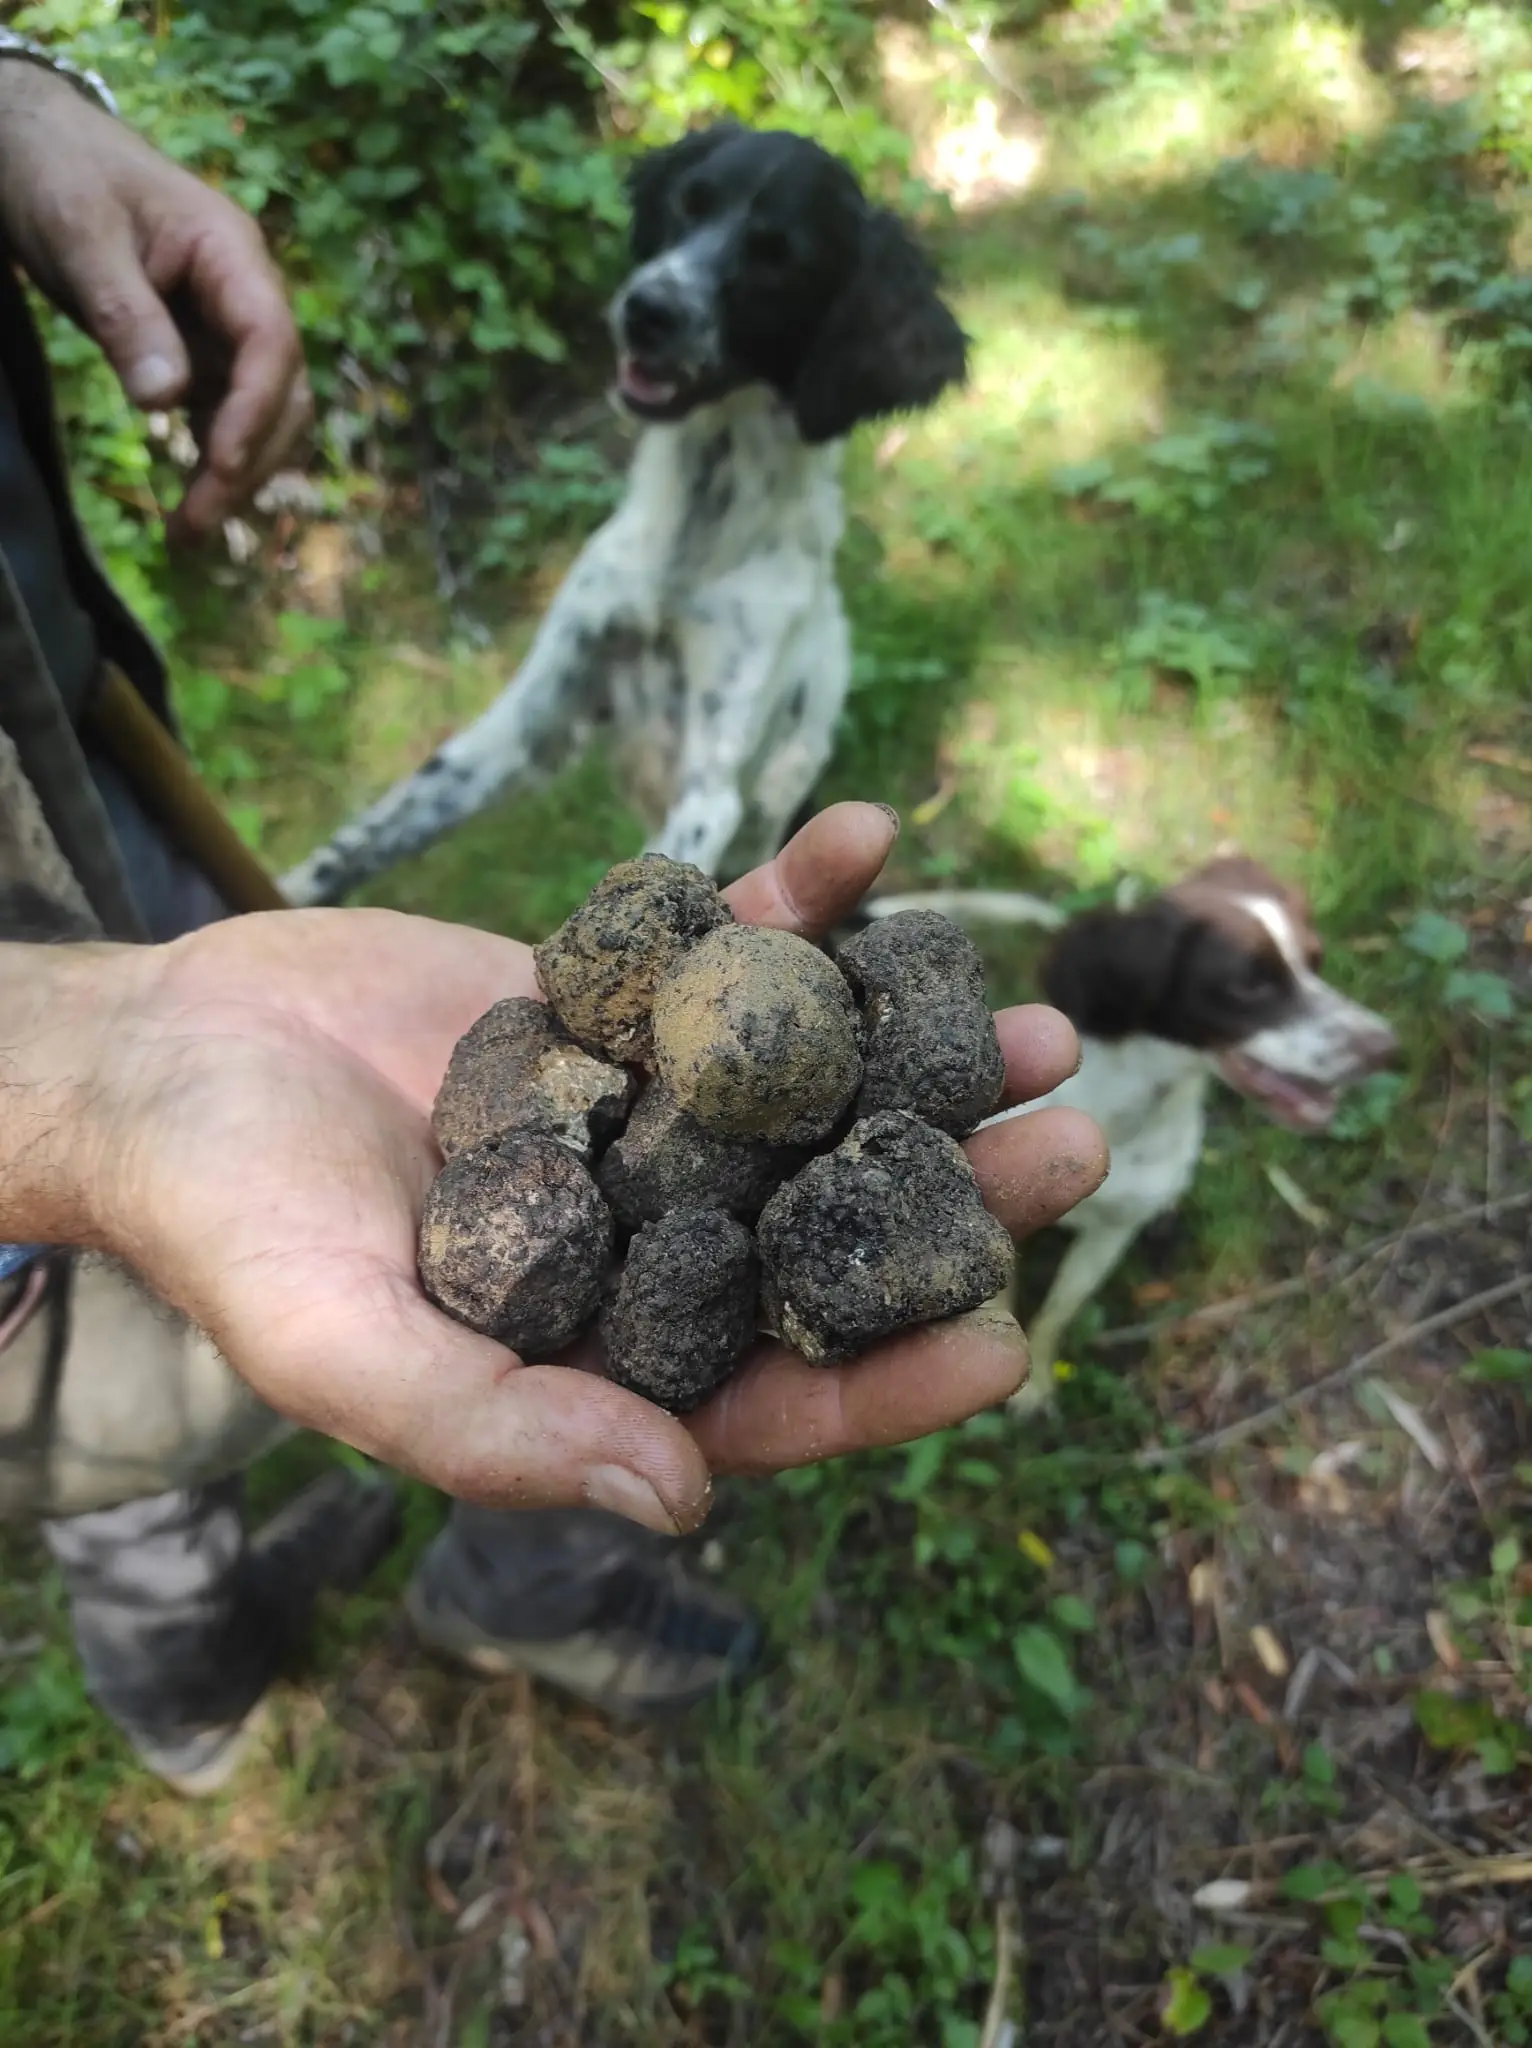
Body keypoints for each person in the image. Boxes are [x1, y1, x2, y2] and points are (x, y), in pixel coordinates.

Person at [0, 37, 1109, 1795]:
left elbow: (702, 898)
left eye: (756, 265)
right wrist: (130, 1053)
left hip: (45, 686)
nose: (669, 286)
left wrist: (13, 89)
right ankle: (187, 1666)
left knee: (141, 1202)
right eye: (684, 224)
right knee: (47, 1302)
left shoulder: (790, 555)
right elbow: (520, 764)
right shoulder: (637, 523)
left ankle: (319, 1617)